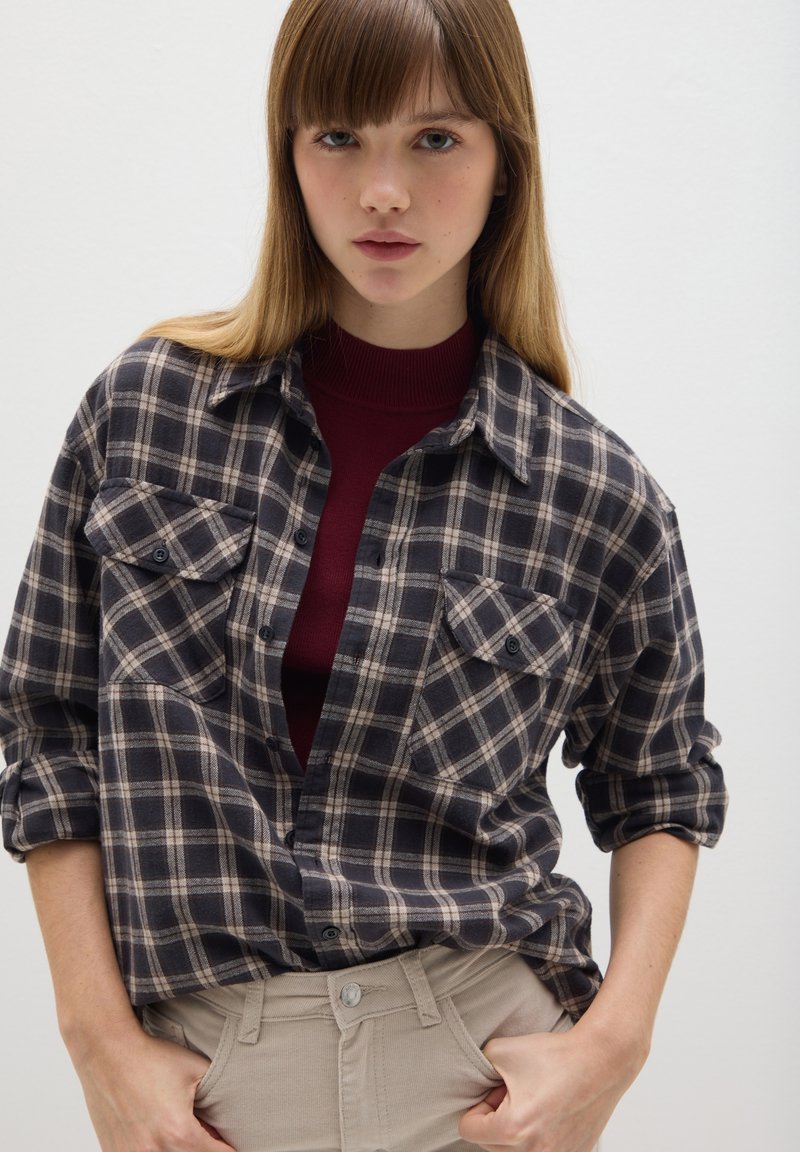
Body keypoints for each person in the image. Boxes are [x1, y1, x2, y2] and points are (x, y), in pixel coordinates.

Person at [0, 1, 728, 1150]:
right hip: (199, 1085)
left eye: (435, 139)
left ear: (504, 161)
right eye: (338, 137)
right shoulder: (146, 413)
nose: (382, 191)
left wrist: (612, 1044)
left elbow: (660, 783)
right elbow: (48, 723)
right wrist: (96, 1039)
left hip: (479, 1078)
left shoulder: (594, 491)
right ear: (287, 153)